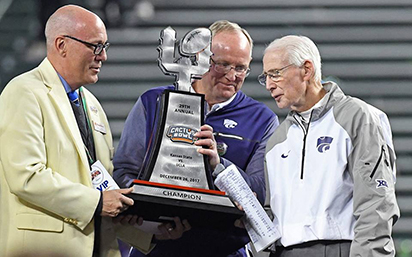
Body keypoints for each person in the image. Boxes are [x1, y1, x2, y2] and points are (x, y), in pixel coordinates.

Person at [113, 20, 279, 257]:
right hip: (157, 248)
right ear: (200, 57)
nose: (232, 75)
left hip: (224, 249)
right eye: (222, 64)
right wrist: (151, 219)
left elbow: (259, 191)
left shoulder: (262, 120)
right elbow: (124, 171)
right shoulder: (153, 102)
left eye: (241, 68)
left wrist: (219, 166)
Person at [0, 5, 155, 257]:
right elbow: (26, 176)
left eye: (105, 47)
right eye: (95, 46)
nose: (102, 56)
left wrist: (150, 230)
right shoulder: (23, 91)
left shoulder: (91, 103)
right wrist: (97, 202)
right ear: (62, 45)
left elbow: (100, 181)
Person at [261, 35, 400, 257]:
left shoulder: (358, 117)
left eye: (275, 73)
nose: (269, 85)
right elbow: (271, 215)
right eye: (265, 77)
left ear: (306, 70)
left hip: (342, 249)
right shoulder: (276, 141)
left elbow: (377, 205)